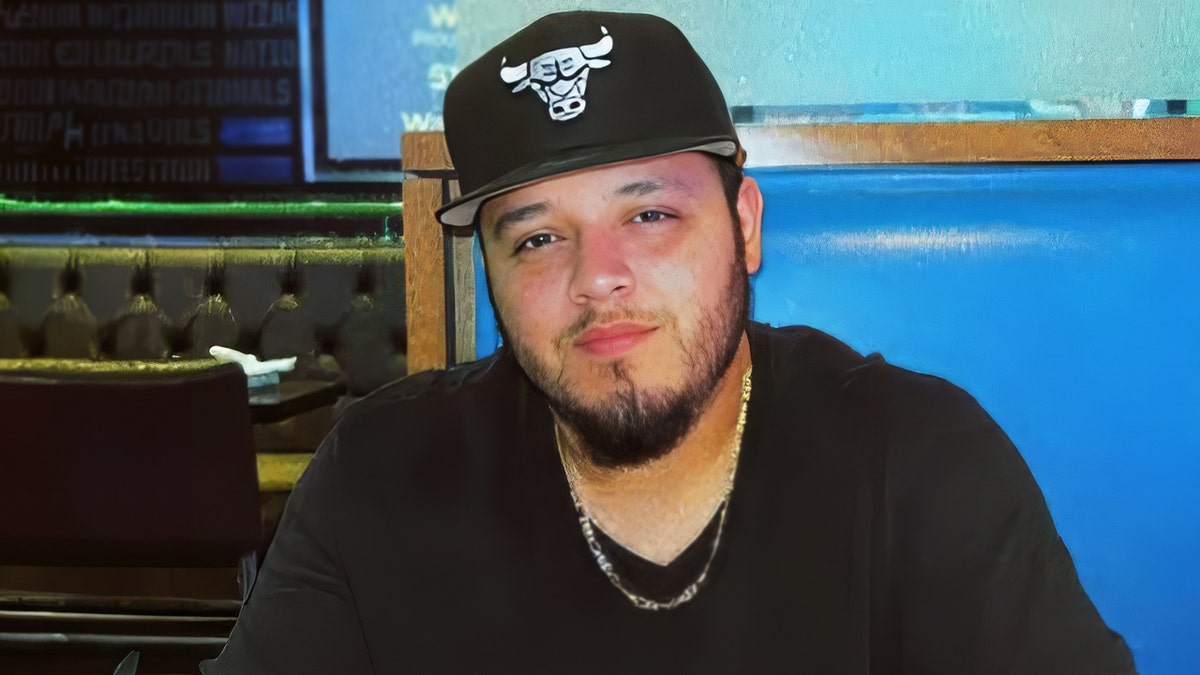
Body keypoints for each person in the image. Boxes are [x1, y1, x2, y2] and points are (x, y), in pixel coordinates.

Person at [204, 11, 1135, 674]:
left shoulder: (918, 460)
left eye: (648, 213)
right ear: (489, 274)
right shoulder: (379, 476)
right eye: (535, 238)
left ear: (746, 225)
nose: (595, 275)